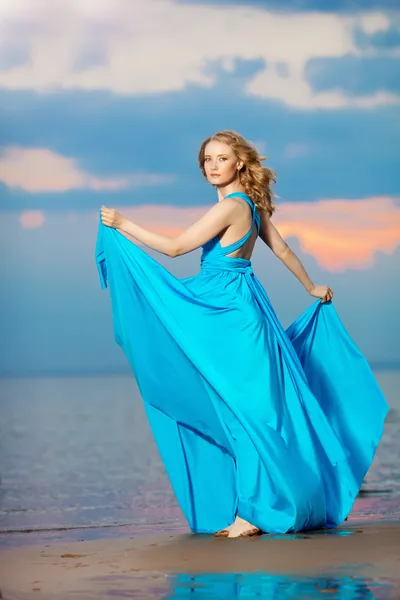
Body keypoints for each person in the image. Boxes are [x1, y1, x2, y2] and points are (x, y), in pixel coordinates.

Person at [96, 130, 388, 538]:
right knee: (242, 410)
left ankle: (252, 513)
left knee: (245, 413)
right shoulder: (249, 205)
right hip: (230, 309)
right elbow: (282, 249)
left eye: (221, 158)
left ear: (240, 164)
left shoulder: (232, 207)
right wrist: (310, 286)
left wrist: (123, 224)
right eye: (207, 160)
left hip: (232, 317)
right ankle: (256, 506)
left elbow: (177, 248)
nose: (212, 166)